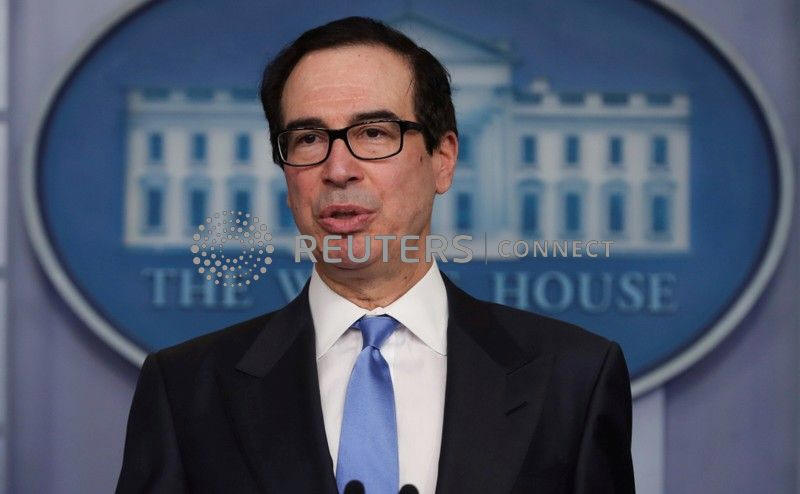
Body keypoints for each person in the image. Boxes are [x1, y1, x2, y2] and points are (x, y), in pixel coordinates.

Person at [116, 16, 635, 494]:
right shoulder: (185, 390)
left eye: (373, 133)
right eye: (308, 138)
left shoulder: (574, 379)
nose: (338, 169)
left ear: (443, 159)